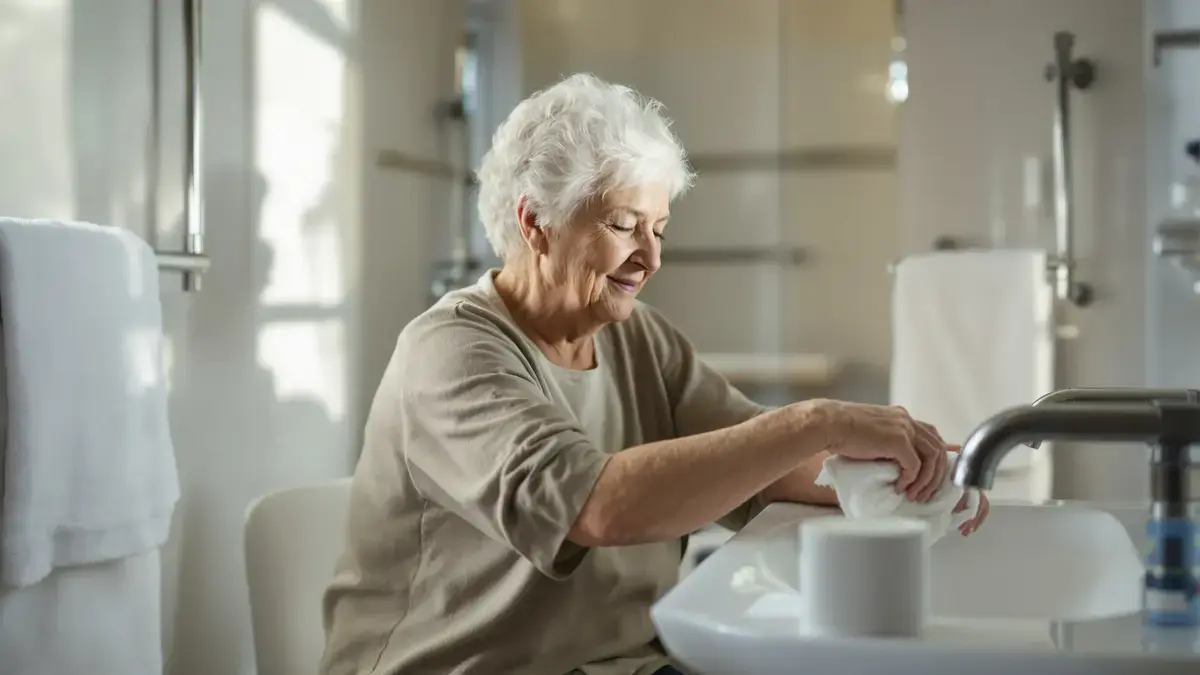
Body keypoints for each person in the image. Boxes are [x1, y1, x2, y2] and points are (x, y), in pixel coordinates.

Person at [320, 73, 989, 675]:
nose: (649, 257)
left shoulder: (639, 337)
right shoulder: (451, 352)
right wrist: (820, 418)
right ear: (536, 222)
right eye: (624, 225)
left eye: (660, 229)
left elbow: (768, 461)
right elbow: (600, 506)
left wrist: (925, 471)